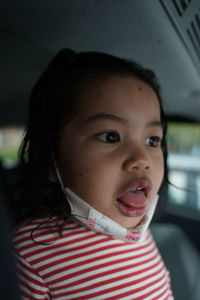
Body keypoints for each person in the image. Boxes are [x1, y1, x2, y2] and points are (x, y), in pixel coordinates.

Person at [13, 49, 174, 299]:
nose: (142, 159)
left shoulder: (141, 230)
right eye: (110, 136)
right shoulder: (30, 249)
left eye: (152, 140)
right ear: (51, 160)